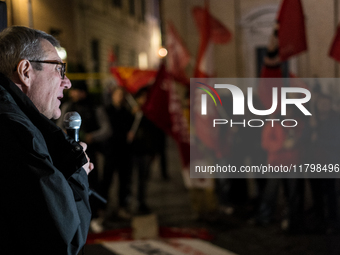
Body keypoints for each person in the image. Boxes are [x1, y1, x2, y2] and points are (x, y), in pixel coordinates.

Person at [0, 26, 93, 255]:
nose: (67, 82)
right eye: (59, 69)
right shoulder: (18, 134)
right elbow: (65, 241)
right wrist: (77, 173)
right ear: (25, 71)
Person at [57, 80, 112, 219]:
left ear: (83, 92)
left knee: (92, 183)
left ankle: (95, 214)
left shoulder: (95, 108)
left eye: (75, 90)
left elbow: (106, 129)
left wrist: (91, 136)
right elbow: (58, 127)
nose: (71, 92)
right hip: (70, 153)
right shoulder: (68, 107)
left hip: (91, 152)